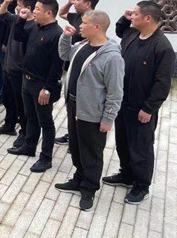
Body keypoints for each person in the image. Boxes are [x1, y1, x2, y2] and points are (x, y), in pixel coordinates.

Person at [103, 1, 175, 205]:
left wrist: (148, 108)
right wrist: (125, 18)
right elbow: (120, 30)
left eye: (135, 14)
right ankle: (126, 174)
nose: (132, 16)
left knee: (141, 148)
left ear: (148, 18)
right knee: (123, 142)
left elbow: (162, 83)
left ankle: (142, 186)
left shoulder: (162, 47)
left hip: (141, 108)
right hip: (122, 102)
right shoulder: (133, 34)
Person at [56, 11, 124, 212]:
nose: (80, 26)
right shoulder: (82, 46)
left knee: (92, 152)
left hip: (93, 113)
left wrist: (108, 118)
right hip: (74, 105)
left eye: (84, 23)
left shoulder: (112, 57)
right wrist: (65, 37)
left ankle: (89, 188)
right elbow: (64, 55)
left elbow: (115, 92)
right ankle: (78, 178)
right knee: (76, 146)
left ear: (97, 27)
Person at [8, 0, 64, 173]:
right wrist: (20, 19)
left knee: (45, 122)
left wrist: (47, 89)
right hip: (27, 80)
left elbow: (57, 66)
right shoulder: (35, 27)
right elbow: (18, 36)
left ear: (49, 13)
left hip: (42, 85)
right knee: (30, 116)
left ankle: (46, 158)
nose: (34, 11)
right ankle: (29, 146)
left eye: (38, 9)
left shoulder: (57, 34)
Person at [55, 0, 101, 146]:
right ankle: (72, 136)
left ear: (88, 3)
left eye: (77, 0)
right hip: (71, 64)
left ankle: (78, 139)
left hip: (84, 68)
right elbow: (62, 13)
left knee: (81, 106)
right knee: (71, 104)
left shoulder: (95, 20)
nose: (75, 3)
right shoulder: (76, 16)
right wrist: (69, 2)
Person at [0, 0, 37, 149]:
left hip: (20, 72)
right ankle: (9, 125)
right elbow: (1, 14)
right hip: (8, 67)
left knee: (22, 106)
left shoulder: (34, 26)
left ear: (28, 8)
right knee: (8, 100)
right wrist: (6, 1)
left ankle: (24, 134)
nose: (17, 8)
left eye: (19, 5)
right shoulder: (15, 19)